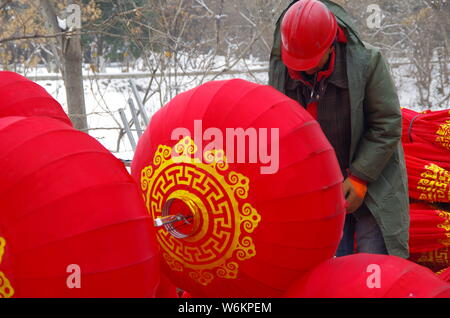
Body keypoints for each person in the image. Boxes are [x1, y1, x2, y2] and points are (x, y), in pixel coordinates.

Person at [269, 0, 410, 258]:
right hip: (321, 186)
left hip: (372, 178)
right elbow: (280, 126)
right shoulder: (282, 69)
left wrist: (359, 177)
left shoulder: (367, 62)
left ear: (330, 44)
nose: (303, 68)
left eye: (310, 60)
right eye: (296, 62)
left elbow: (387, 124)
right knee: (333, 268)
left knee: (374, 263)